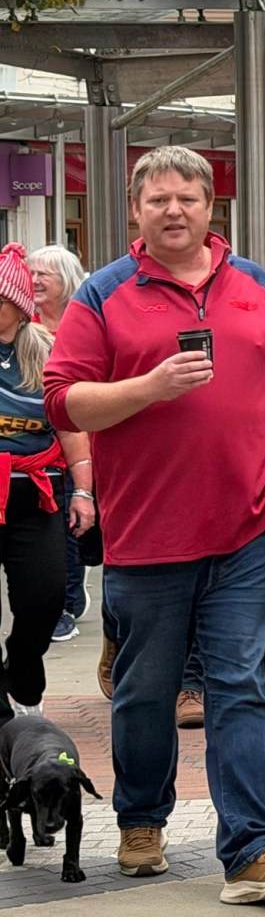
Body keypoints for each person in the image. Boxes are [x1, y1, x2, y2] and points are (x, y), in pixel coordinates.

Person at [43, 145, 265, 904]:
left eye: (187, 198)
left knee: (242, 687)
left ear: (209, 207)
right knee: (146, 691)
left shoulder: (258, 285)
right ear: (136, 210)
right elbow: (63, 400)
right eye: (158, 199)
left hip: (248, 531)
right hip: (146, 535)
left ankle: (253, 850)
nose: (174, 210)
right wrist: (149, 386)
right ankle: (141, 819)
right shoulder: (103, 293)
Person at [0, 244, 94, 718]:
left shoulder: (48, 350)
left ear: (18, 306)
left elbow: (71, 426)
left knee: (46, 598)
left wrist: (83, 491)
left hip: (38, 493)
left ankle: (20, 670)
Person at [28, 245, 93, 642]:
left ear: (65, 281)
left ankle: (69, 599)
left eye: (43, 275)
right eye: (31, 273)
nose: (34, 281)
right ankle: (61, 602)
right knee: (52, 527)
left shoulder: (83, 322)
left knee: (75, 524)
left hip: (82, 436)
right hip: (38, 443)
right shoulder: (23, 324)